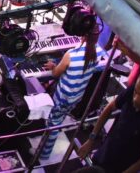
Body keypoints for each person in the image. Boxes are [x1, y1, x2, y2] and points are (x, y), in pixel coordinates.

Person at [35, 25, 105, 161]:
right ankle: (49, 139)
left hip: (63, 97)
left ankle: (43, 155)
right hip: (77, 96)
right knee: (59, 119)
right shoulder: (99, 51)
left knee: (53, 125)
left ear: (83, 36)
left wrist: (53, 66)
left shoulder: (72, 54)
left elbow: (55, 73)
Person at [80, 69, 140, 172]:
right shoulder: (132, 91)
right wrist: (91, 138)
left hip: (123, 166)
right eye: (136, 92)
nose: (135, 98)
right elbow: (108, 109)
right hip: (105, 152)